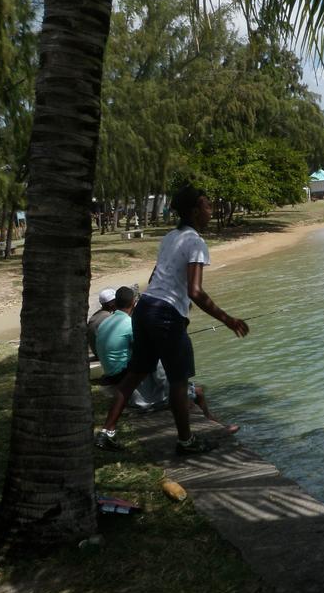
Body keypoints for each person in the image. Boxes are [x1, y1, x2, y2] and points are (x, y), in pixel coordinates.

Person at [95, 186, 248, 454]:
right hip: (165, 315)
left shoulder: (170, 237)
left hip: (145, 309)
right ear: (194, 211)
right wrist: (228, 319)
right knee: (179, 380)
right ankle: (186, 441)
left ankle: (107, 433)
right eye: (207, 205)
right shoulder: (196, 242)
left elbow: (156, 277)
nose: (210, 210)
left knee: (133, 376)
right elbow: (195, 291)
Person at [95, 286, 135, 385]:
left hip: (108, 372)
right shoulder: (129, 323)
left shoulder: (105, 322)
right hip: (120, 375)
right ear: (133, 303)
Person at [87, 288, 117, 357]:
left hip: (96, 352)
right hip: (105, 354)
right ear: (111, 303)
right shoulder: (109, 317)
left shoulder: (95, 316)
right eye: (116, 301)